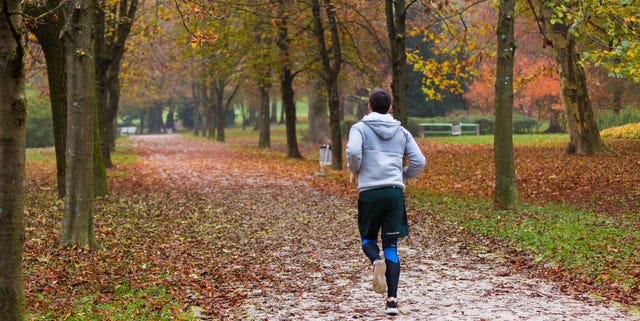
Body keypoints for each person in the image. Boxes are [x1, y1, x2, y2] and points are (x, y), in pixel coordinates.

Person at [345, 88, 426, 315]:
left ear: (369, 107)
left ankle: (374, 261)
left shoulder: (359, 128)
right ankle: (392, 301)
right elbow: (419, 161)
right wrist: (403, 175)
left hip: (370, 192)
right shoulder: (402, 132)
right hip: (394, 193)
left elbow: (352, 151)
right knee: (391, 246)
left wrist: (356, 169)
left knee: (367, 238)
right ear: (390, 108)